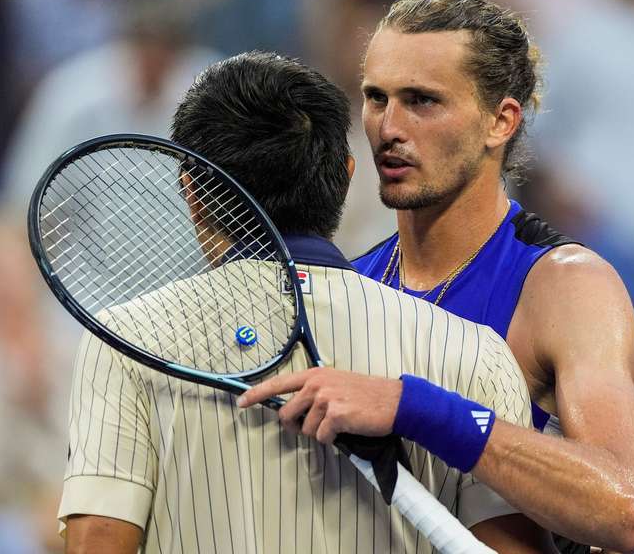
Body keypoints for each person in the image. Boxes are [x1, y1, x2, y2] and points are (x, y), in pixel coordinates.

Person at [59, 51, 533, 553]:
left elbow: (99, 546)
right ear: (347, 176)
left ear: (192, 190)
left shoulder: (126, 339)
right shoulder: (474, 352)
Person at [241, 0, 634, 553]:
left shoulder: (566, 285)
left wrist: (411, 405)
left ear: (500, 121)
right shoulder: (353, 283)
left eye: (421, 101)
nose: (388, 127)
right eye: (375, 97)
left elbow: (625, 508)